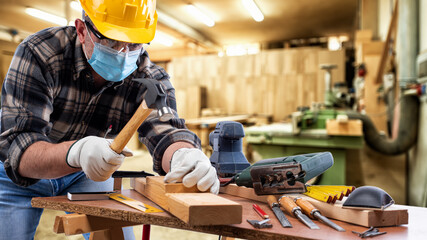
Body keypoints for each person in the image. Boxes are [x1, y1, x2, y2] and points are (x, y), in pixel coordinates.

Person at [0, 0, 219, 239]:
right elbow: (19, 150)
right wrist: (75, 152)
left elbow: (166, 130)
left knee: (117, 235)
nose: (124, 53)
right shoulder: (40, 52)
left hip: (87, 173)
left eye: (135, 42)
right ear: (83, 30)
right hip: (17, 174)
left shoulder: (150, 77)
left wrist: (183, 154)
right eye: (112, 40)